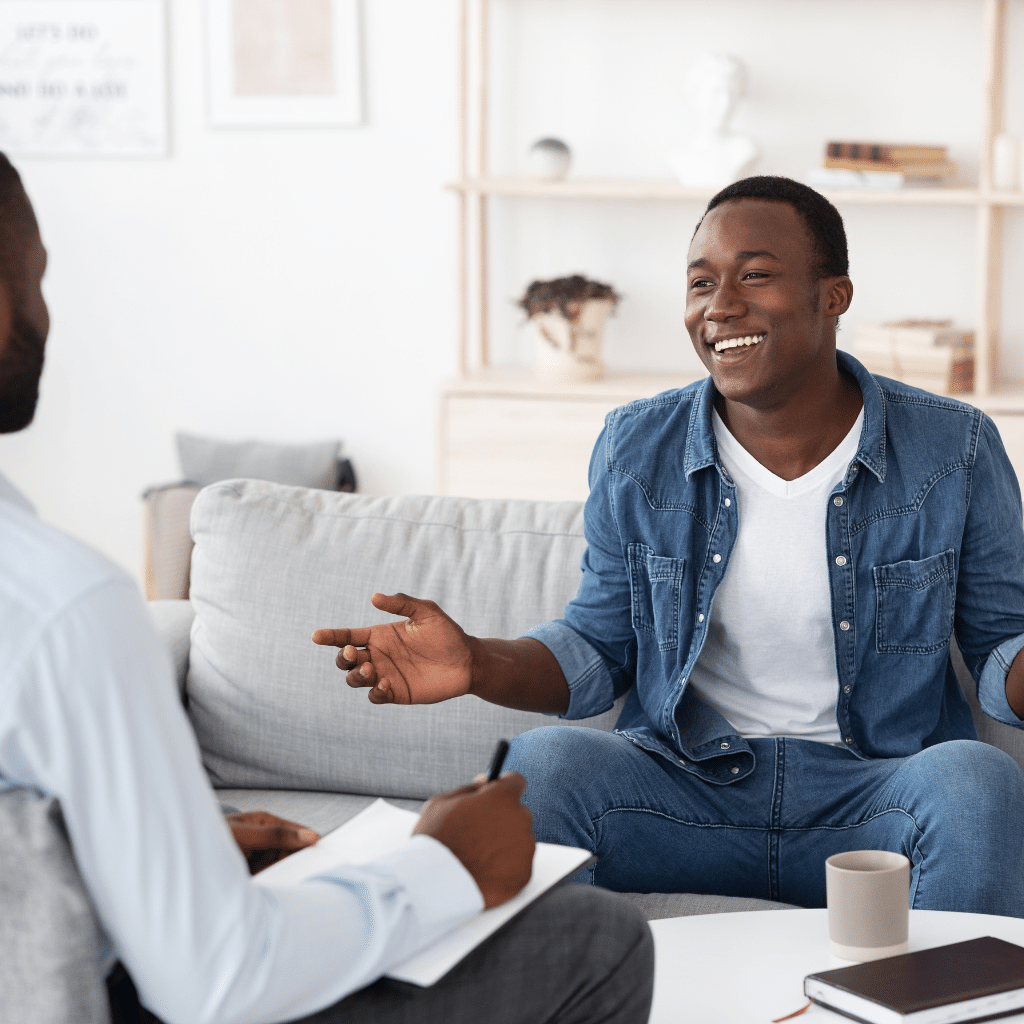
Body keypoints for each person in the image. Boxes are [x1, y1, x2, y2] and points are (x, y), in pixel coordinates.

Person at [0, 153, 655, 1024]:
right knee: (594, 939)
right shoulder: (61, 609)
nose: (46, 312)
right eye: (37, 279)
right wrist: (440, 867)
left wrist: (148, 856)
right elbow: (220, 982)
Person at [315, 175, 1024, 917]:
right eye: (700, 283)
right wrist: (477, 662)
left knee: (977, 783)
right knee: (544, 766)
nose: (719, 306)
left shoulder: (955, 447)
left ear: (833, 296)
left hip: (875, 800)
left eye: (755, 275)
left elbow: (1000, 652)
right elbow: (597, 646)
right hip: (684, 792)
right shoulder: (635, 445)